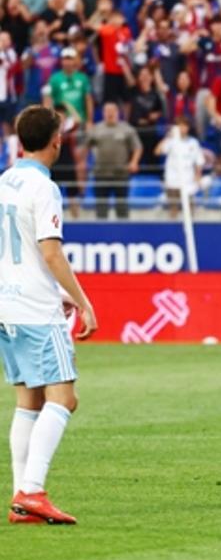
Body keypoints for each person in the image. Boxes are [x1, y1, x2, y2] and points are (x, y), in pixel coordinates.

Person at [2, 106, 98, 525]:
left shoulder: (4, 180)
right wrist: (81, 300)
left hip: (7, 305)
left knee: (28, 401)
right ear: (56, 140)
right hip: (37, 311)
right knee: (64, 399)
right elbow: (50, 251)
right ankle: (33, 490)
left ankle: (21, 500)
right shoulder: (45, 188)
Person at [86, 102, 142, 219]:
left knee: (122, 209)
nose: (110, 113)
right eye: (107, 111)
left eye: (113, 111)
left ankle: (124, 235)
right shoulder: (96, 129)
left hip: (121, 174)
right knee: (101, 210)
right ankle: (100, 234)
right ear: (103, 113)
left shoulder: (127, 129)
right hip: (101, 173)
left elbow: (137, 147)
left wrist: (134, 162)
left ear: (118, 112)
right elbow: (85, 146)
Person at [155, 119, 205, 219]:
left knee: (189, 211)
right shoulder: (170, 141)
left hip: (188, 181)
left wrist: (198, 176)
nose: (183, 129)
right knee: (173, 211)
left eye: (185, 126)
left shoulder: (193, 142)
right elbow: (157, 151)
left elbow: (199, 160)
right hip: (172, 180)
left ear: (188, 128)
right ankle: (173, 231)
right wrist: (168, 136)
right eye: (180, 126)